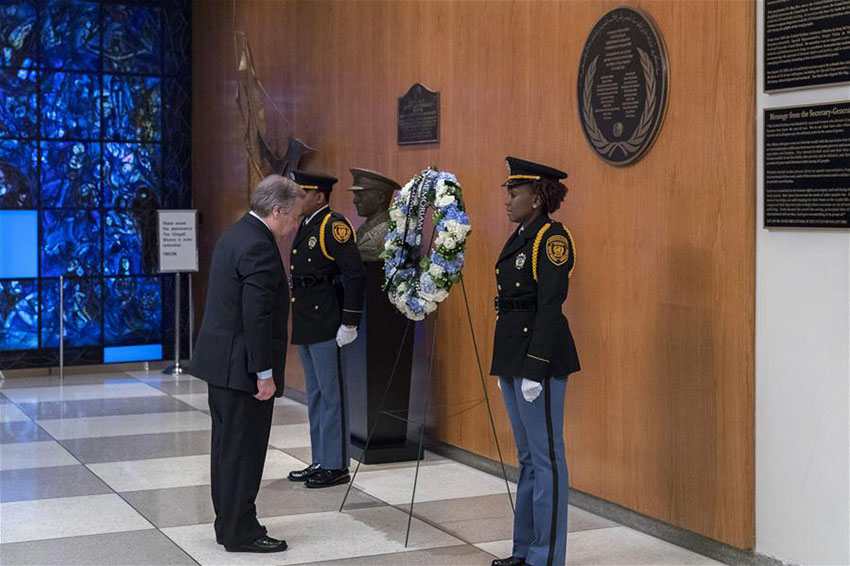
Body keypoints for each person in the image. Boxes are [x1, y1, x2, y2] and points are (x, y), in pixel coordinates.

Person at [191, 174, 305, 553]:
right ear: (276, 211)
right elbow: (256, 316)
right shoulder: (259, 246)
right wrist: (265, 374)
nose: (293, 228)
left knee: (227, 449)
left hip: (221, 363)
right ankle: (241, 531)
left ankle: (230, 523)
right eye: (292, 219)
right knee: (244, 450)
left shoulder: (236, 232)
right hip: (242, 369)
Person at [490, 156, 580, 566]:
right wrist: (507, 366)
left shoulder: (552, 238)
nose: (507, 199)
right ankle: (524, 549)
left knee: (546, 460)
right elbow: (509, 304)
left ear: (538, 196)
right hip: (515, 359)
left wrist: (533, 367)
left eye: (515, 191)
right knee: (527, 457)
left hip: (539, 361)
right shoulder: (521, 236)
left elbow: (549, 306)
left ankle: (547, 557)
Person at [286, 170, 366, 488]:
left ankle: (336, 464)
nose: (296, 199)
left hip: (327, 318)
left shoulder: (333, 226)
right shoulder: (307, 224)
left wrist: (350, 321)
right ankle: (320, 457)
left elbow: (355, 274)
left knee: (331, 393)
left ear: (319, 196)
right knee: (316, 393)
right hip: (308, 317)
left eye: (301, 193)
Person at [346, 168, 400, 262]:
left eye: (360, 195)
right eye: (355, 195)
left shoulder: (388, 231)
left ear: (380, 198)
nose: (355, 200)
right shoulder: (364, 227)